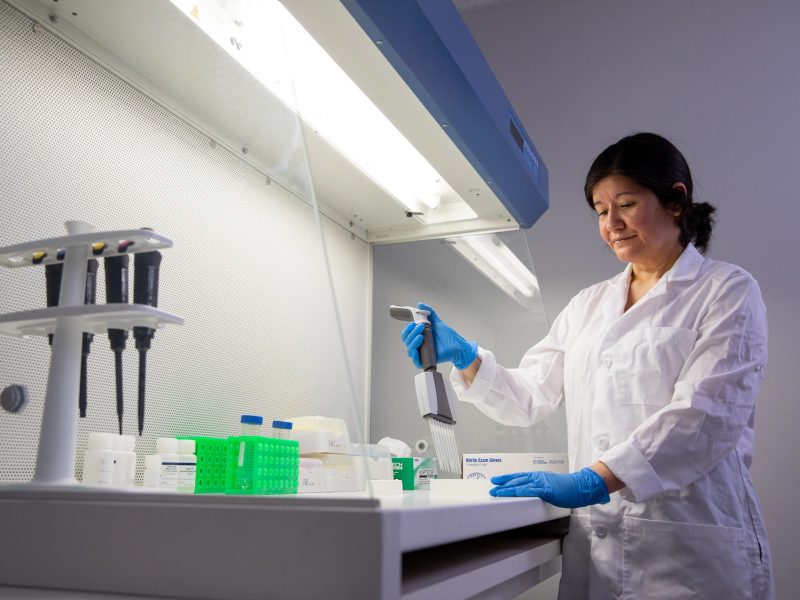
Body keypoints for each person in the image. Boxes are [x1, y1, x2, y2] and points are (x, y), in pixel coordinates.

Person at [400, 133, 774, 599]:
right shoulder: (587, 305)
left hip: (686, 557)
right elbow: (532, 395)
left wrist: (592, 479)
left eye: (627, 203)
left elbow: (705, 417)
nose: (611, 223)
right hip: (596, 553)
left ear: (676, 201)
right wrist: (467, 357)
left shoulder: (727, 291)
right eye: (600, 211)